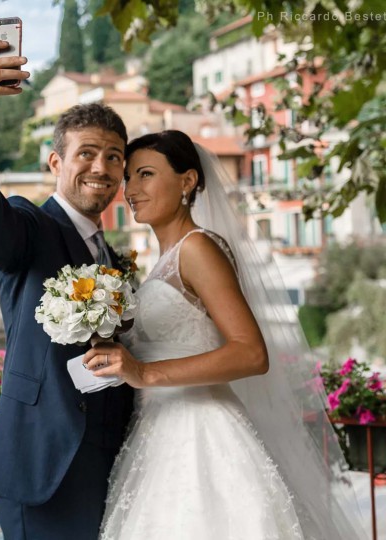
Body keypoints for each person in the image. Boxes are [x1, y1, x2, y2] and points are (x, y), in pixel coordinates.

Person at [88, 130, 367, 539]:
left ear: (188, 181)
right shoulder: (165, 259)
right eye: (128, 176)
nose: (130, 188)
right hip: (159, 435)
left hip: (202, 437)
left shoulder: (198, 248)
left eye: (145, 174)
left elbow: (252, 354)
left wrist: (145, 373)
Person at [0, 40, 134, 539]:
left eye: (114, 157)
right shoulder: (30, 228)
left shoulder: (112, 257)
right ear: (55, 163)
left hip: (111, 460)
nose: (101, 168)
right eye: (87, 154)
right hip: (44, 465)